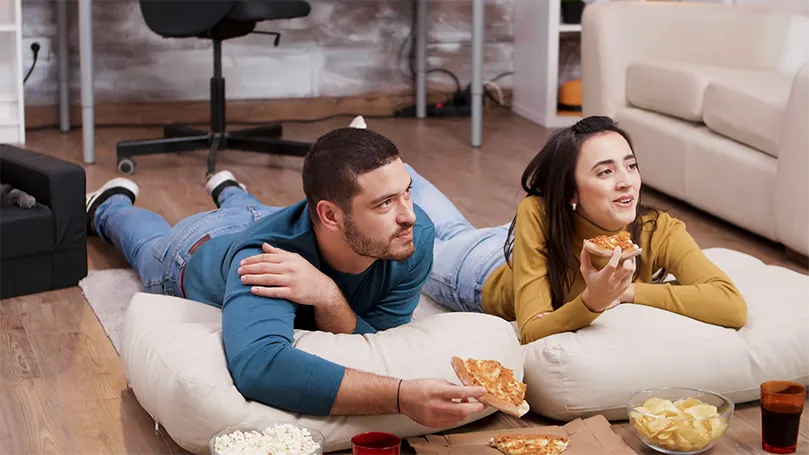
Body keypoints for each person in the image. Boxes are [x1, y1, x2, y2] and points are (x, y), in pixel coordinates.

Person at [85, 122, 488, 427]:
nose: (409, 215)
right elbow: (259, 366)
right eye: (385, 203)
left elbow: (377, 342)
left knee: (253, 210)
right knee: (145, 246)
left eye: (407, 191)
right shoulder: (265, 261)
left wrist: (327, 296)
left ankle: (229, 186)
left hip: (272, 216)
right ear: (330, 214)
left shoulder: (412, 236)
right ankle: (107, 207)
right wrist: (400, 397)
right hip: (196, 247)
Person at [403, 115, 748, 345]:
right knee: (428, 237)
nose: (626, 182)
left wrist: (626, 294)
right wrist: (591, 302)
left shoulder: (659, 229)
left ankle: (391, 168)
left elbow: (731, 305)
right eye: (605, 172)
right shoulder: (536, 212)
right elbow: (532, 329)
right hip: (478, 273)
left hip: (515, 248)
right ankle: (386, 165)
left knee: (452, 226)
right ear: (570, 193)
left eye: (630, 166)